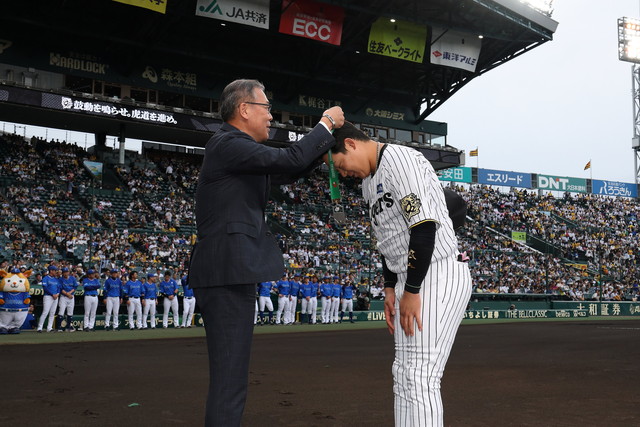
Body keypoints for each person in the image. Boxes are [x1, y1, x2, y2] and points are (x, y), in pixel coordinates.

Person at [188, 78, 343, 426]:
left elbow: (288, 170)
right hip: (226, 271)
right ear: (244, 109)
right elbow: (288, 158)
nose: (271, 116)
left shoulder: (235, 151)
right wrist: (326, 124)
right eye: (266, 107)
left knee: (231, 378)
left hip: (229, 271)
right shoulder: (228, 143)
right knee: (229, 380)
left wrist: (324, 148)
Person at [325, 122, 472, 427]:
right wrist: (391, 288)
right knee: (403, 374)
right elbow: (387, 237)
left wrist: (412, 290)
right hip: (409, 275)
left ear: (351, 144)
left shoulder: (400, 160)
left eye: (340, 165)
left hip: (436, 271)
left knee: (419, 375)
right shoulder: (368, 183)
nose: (343, 173)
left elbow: (423, 226)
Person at [37, 265, 61, 333]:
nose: (56, 272)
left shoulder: (56, 279)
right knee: (45, 312)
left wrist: (57, 294)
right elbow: (45, 288)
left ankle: (49, 328)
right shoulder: (46, 278)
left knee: (52, 313)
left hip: (55, 297)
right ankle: (40, 328)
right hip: (48, 296)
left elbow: (59, 288)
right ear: (51, 271)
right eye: (55, 271)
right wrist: (52, 294)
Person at [56, 267, 78, 332]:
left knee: (70, 312)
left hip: (71, 296)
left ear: (68, 272)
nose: (65, 273)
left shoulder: (72, 278)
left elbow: (75, 287)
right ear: (62, 273)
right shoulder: (60, 279)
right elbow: (60, 289)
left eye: (66, 272)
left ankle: (69, 327)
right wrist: (67, 294)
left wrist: (70, 293)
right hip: (63, 297)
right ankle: (59, 327)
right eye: (64, 272)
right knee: (61, 312)